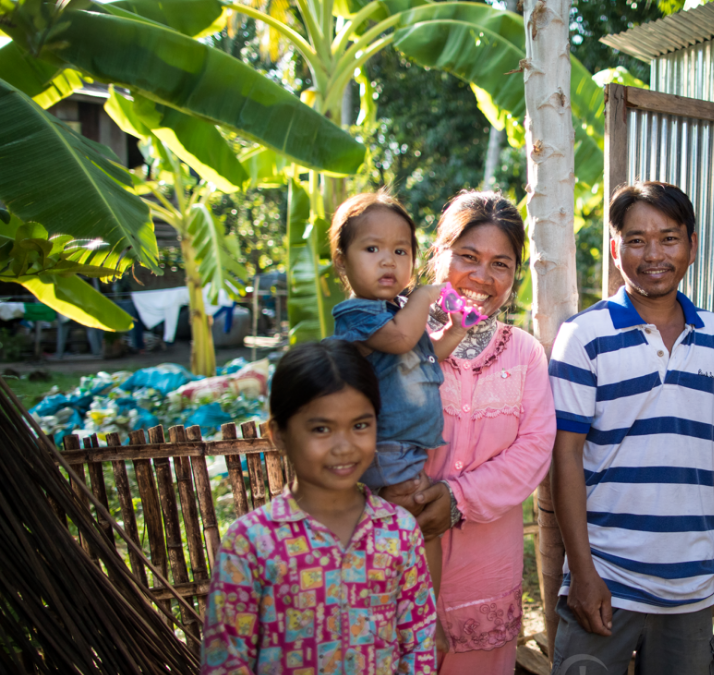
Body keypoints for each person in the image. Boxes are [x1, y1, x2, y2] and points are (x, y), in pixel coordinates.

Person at [548, 181, 714, 674]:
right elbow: (565, 456)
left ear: (692, 247)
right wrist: (584, 573)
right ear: (615, 249)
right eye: (636, 240)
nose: (653, 254)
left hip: (691, 582)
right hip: (605, 580)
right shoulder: (583, 337)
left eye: (669, 237)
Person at [200, 341, 436, 674]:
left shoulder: (399, 531)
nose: (344, 446)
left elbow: (419, 644)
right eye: (321, 429)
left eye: (360, 425)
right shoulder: (251, 543)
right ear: (278, 435)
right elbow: (226, 660)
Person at [409, 191, 556, 674]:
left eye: (501, 264)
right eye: (467, 257)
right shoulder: (397, 339)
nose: (482, 277)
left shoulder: (525, 353)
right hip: (397, 553)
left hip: (487, 567)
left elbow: (535, 450)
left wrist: (456, 498)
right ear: (439, 254)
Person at [327, 190, 470, 650]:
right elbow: (403, 338)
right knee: (408, 525)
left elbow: (426, 350)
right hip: (384, 446)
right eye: (372, 249)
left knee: (417, 528)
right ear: (342, 262)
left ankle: (417, 613)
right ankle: (411, 620)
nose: (388, 261)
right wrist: (427, 295)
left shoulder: (395, 313)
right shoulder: (357, 315)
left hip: (407, 448)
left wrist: (454, 332)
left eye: (400, 251)